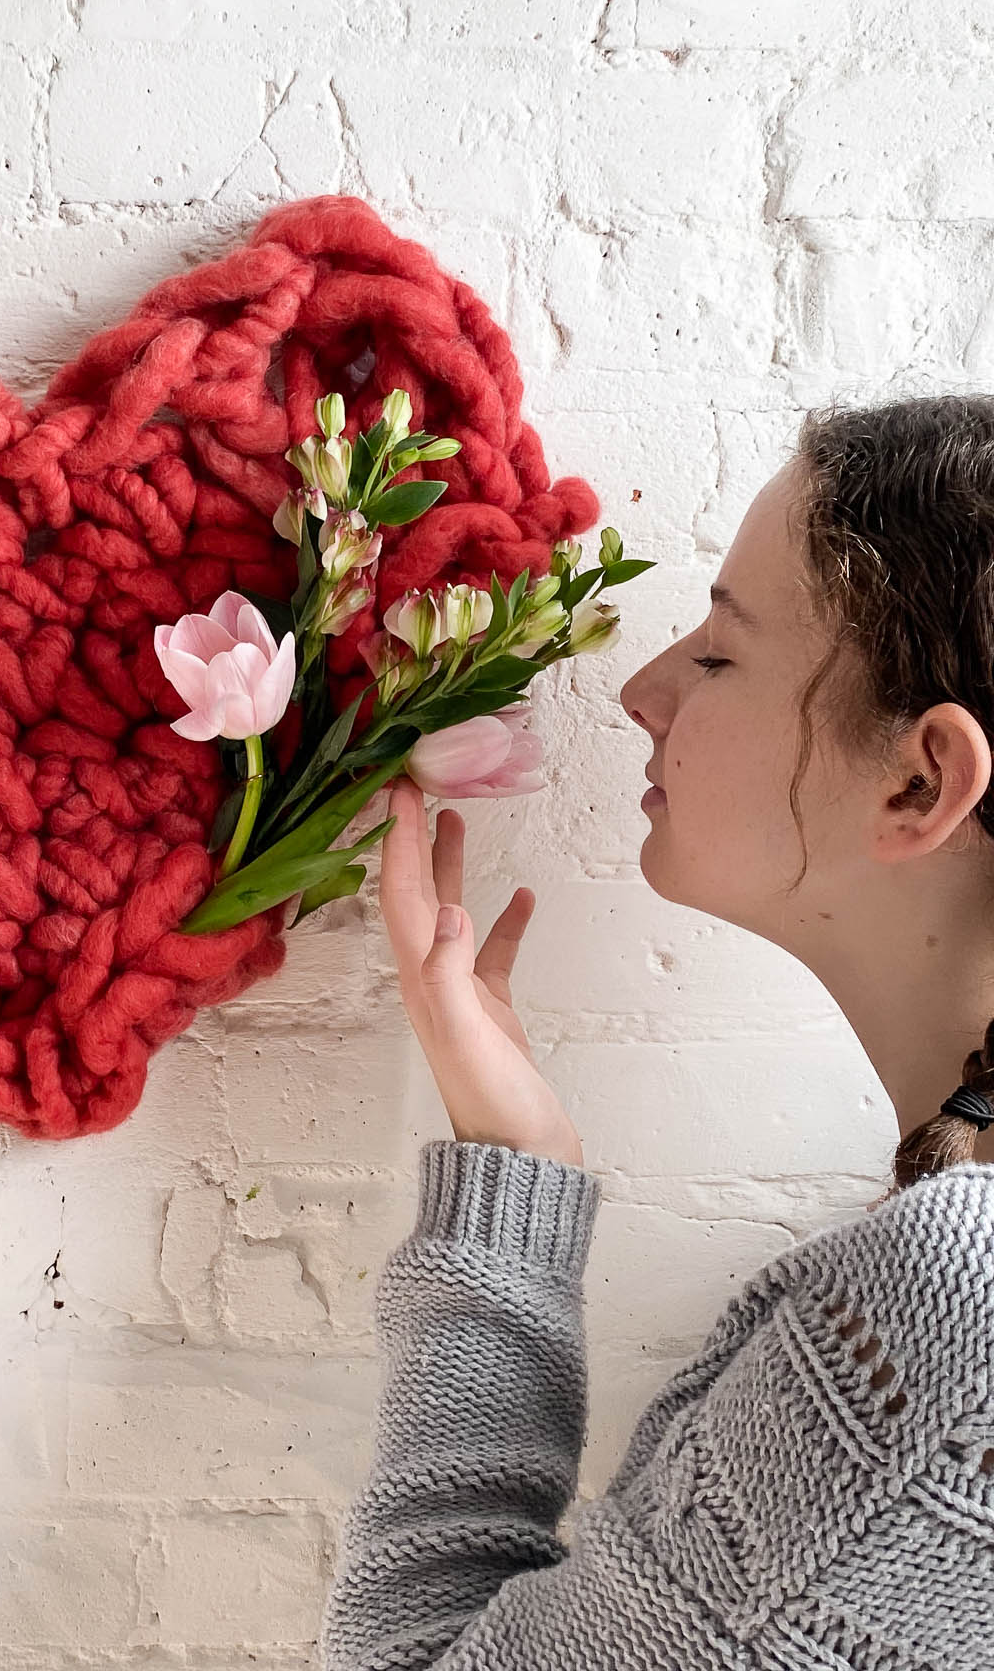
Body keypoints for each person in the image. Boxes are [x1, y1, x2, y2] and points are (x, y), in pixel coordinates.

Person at [319, 393, 994, 1671]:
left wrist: (507, 1205)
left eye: (721, 654)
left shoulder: (948, 1338)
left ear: (918, 781)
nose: (640, 688)